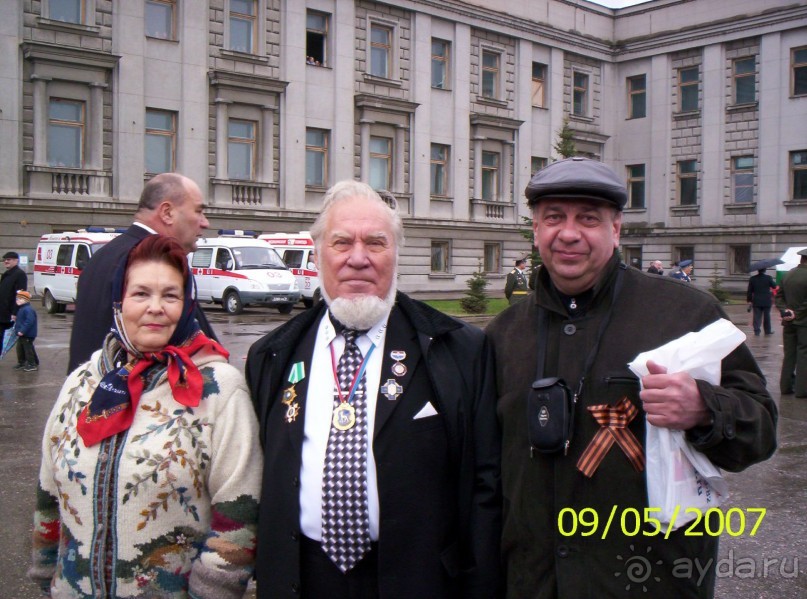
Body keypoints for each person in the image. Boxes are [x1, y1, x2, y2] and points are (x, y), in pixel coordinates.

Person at [485, 157, 777, 598]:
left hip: (649, 581)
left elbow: (762, 429)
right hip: (533, 581)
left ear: (616, 230)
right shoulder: (502, 334)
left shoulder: (685, 314)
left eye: (588, 219)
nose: (568, 233)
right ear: (535, 230)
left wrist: (704, 409)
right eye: (553, 218)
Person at [246, 180, 502, 599]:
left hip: (417, 580)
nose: (358, 259)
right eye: (342, 242)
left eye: (376, 243)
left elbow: (485, 487)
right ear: (317, 256)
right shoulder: (272, 355)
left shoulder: (458, 351)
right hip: (301, 578)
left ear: (396, 255)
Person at [28, 235, 261, 598]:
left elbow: (240, 511)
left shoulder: (218, 389)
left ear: (186, 305)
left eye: (170, 295)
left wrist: (211, 591)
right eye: (140, 294)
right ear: (119, 304)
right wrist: (47, 574)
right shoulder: (82, 383)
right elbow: (49, 491)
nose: (156, 307)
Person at [68, 173, 216, 373]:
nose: (205, 222)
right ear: (167, 213)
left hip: (94, 392)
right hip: (138, 397)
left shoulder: (103, 255)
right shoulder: (153, 262)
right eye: (198, 211)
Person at [776, 249, 807, 397]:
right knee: (803, 354)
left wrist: (785, 312)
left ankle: (785, 387)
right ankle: (802, 390)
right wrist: (798, 314)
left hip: (788, 321)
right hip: (804, 323)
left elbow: (779, 297)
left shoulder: (788, 275)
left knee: (789, 354)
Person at [1, 250, 28, 351]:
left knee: (20, 337)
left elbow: (22, 294)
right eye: (5, 260)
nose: (6, 261)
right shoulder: (6, 274)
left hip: (11, 313)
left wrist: (15, 312)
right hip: (2, 311)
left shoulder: (20, 274)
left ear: (16, 261)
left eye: (8, 259)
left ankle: (31, 361)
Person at [13, 290, 38, 372]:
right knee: (20, 348)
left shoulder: (28, 309)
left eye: (20, 299)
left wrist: (22, 331)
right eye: (17, 299)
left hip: (27, 334)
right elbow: (22, 320)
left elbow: (29, 321)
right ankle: (22, 362)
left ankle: (32, 364)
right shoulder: (22, 309)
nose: (18, 300)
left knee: (28, 349)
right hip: (22, 334)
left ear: (26, 300)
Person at [747, 268, 777, 336]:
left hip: (756, 300)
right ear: (765, 270)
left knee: (757, 316)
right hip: (766, 300)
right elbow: (774, 286)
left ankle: (757, 331)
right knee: (767, 316)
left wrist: (749, 300)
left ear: (758, 270)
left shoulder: (753, 278)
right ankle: (767, 331)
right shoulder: (768, 278)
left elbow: (749, 291)